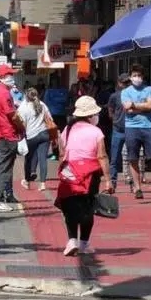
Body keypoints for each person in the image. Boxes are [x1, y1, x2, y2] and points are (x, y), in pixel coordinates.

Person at [54, 96, 112, 256]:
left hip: (69, 171)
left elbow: (61, 153)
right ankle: (84, 243)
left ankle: (72, 240)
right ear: (91, 115)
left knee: (70, 207)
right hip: (90, 173)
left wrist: (62, 172)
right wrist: (108, 180)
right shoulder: (96, 131)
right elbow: (102, 156)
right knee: (87, 208)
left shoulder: (67, 129)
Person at [0, 64, 25, 212]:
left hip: (0, 135)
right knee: (3, 169)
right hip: (6, 135)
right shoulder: (4, 94)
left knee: (0, 167)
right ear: (3, 78)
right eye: (10, 75)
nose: (13, 77)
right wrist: (22, 127)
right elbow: (13, 115)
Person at [121, 64, 151, 199]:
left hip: (148, 126)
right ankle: (137, 188)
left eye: (139, 75)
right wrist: (144, 106)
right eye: (135, 75)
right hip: (131, 127)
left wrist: (134, 105)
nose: (137, 78)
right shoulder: (125, 92)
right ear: (130, 77)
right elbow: (126, 108)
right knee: (133, 158)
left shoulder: (149, 89)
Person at [17, 88, 53, 191]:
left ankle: (27, 182)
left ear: (26, 96)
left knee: (28, 159)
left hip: (32, 136)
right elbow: (50, 119)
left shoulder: (23, 107)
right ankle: (42, 184)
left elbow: (21, 124)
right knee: (43, 159)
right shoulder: (42, 105)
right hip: (44, 134)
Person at [106, 73, 130, 191]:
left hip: (131, 129)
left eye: (128, 82)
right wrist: (115, 119)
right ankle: (113, 182)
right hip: (118, 130)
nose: (126, 85)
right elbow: (110, 109)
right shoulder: (114, 96)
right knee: (114, 158)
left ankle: (133, 183)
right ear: (119, 83)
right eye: (124, 82)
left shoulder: (132, 95)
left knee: (132, 157)